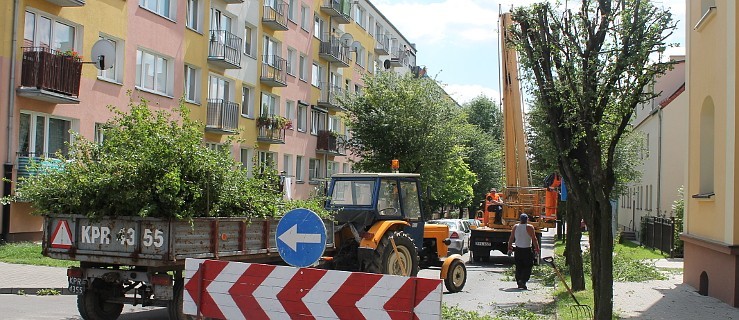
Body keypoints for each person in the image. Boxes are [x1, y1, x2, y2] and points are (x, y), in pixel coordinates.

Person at [507, 213, 540, 290]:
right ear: (527, 220)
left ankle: (519, 281)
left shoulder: (515, 227)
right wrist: (537, 249)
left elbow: (511, 238)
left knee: (519, 266)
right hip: (526, 250)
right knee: (528, 266)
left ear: (520, 219)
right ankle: (523, 280)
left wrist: (509, 248)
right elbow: (534, 239)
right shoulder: (530, 227)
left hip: (518, 250)